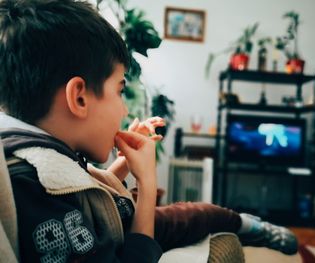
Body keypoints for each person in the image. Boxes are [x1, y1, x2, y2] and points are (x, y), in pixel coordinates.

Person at [0, 0, 297, 262]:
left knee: (190, 214)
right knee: (195, 217)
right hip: (128, 226)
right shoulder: (32, 184)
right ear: (79, 97)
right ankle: (245, 226)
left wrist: (123, 165)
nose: (125, 110)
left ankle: (248, 225)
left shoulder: (32, 152)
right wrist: (147, 182)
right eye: (119, 90)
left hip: (120, 217)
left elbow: (80, 190)